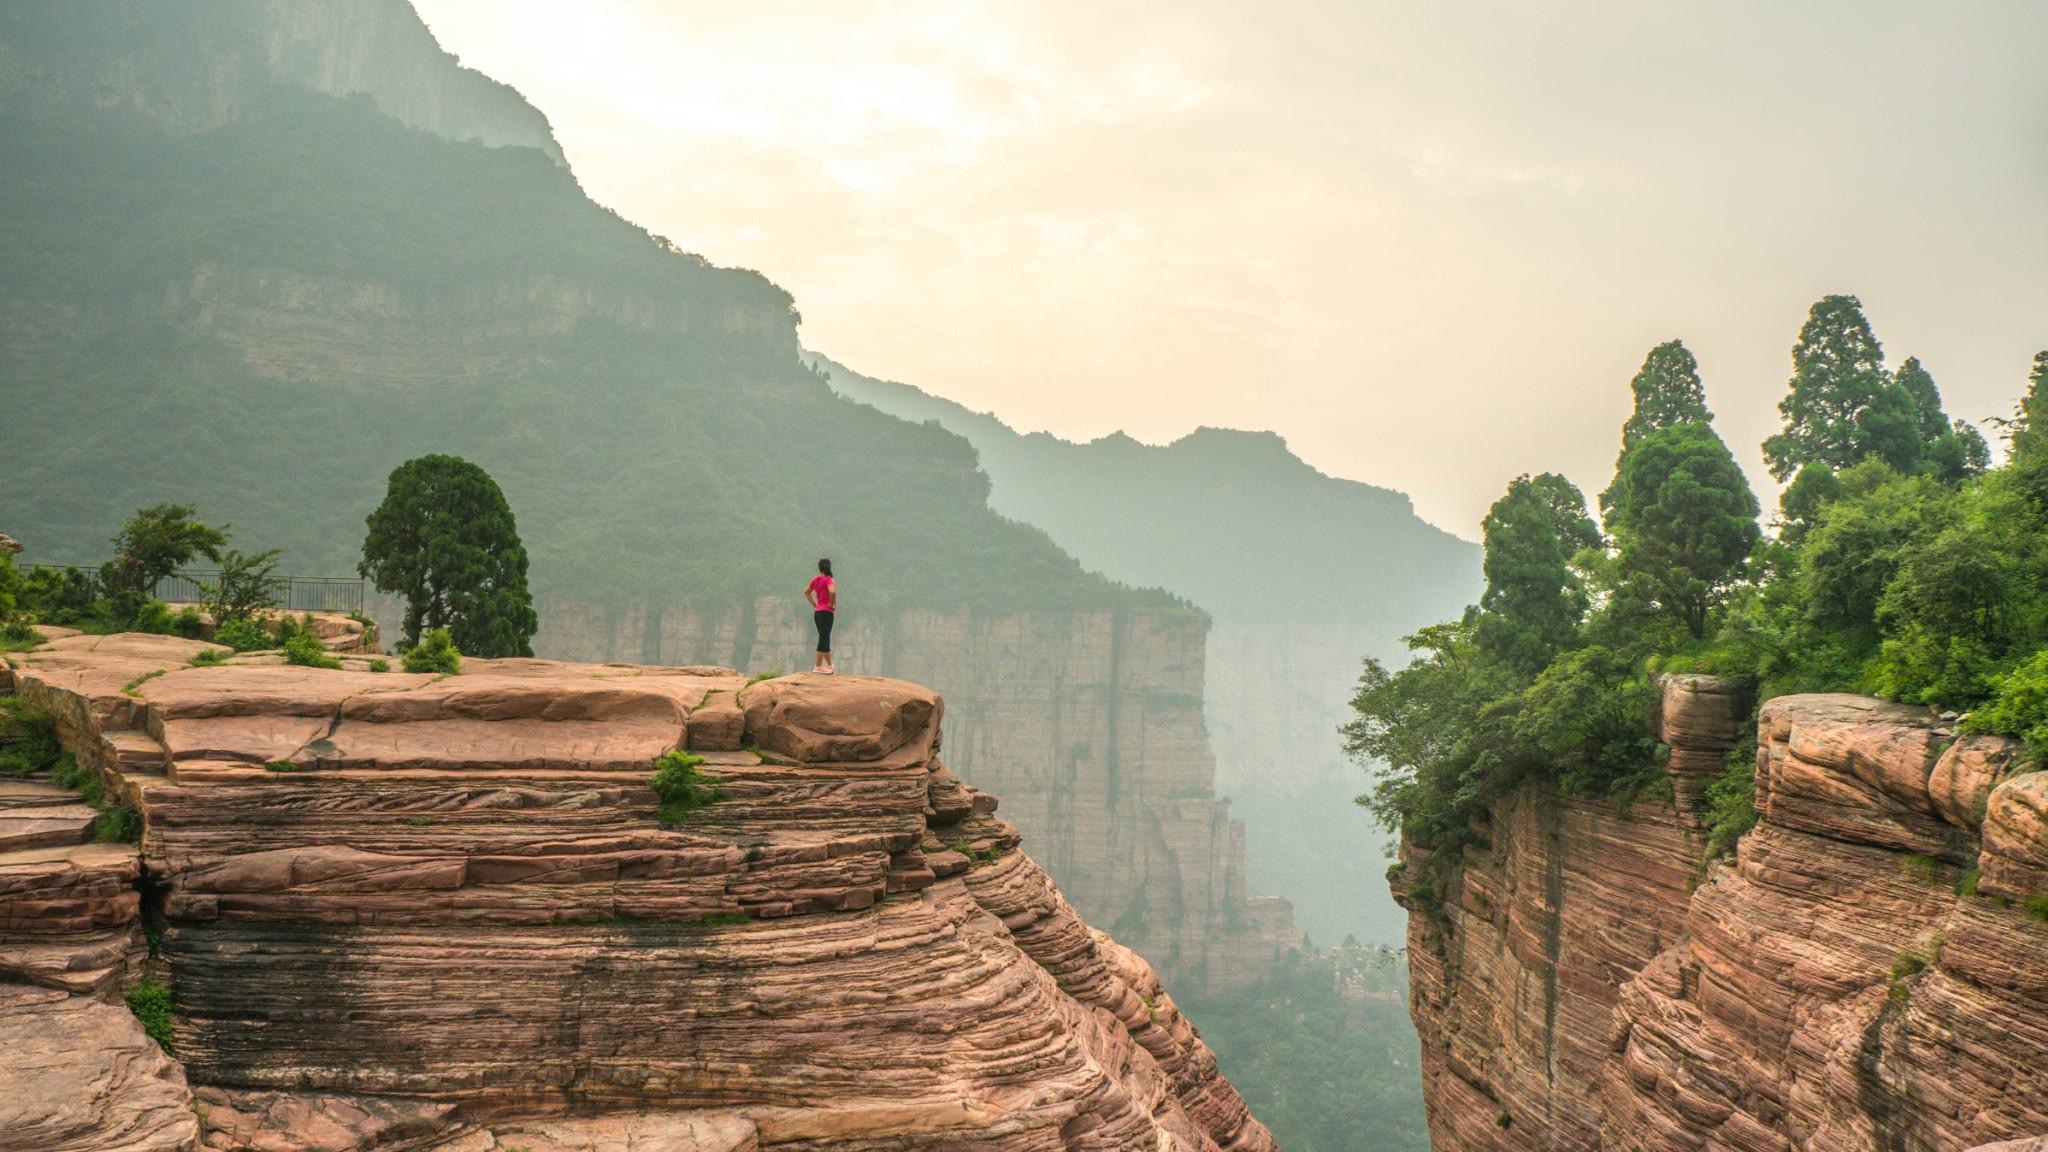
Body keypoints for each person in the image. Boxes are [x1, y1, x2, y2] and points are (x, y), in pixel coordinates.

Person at [804, 558, 836, 674]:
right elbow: (832, 592)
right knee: (824, 638)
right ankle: (818, 666)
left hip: (818, 613)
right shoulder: (828, 580)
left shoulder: (816, 579)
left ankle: (829, 665)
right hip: (827, 613)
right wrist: (831, 603)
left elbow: (806, 592)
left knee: (824, 637)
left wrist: (814, 604)